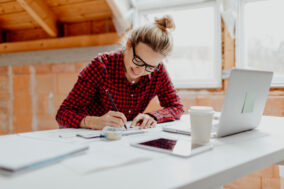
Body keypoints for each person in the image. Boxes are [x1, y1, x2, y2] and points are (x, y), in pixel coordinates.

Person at [56, 15, 184, 130]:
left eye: (149, 67)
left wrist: (153, 116)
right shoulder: (101, 65)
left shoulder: (158, 71)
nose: (140, 70)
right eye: (137, 60)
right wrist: (94, 122)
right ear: (128, 45)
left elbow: (177, 107)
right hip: (87, 136)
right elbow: (63, 113)